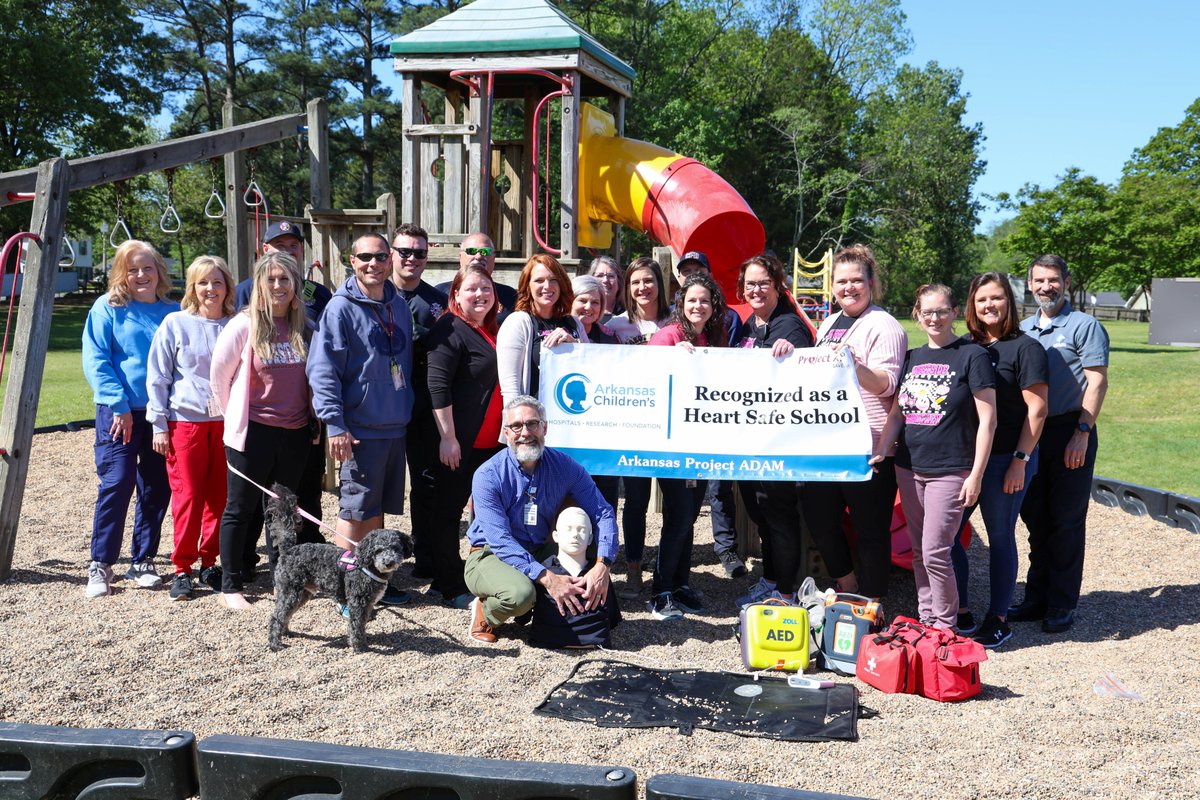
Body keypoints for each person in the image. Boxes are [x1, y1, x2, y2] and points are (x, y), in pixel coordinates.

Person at [872, 284, 996, 631]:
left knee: (936, 551)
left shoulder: (972, 356)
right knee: (917, 552)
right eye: (927, 312)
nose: (934, 318)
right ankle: (926, 618)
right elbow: (897, 414)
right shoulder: (912, 357)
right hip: (910, 468)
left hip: (952, 469)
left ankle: (945, 626)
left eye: (941, 310)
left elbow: (989, 420)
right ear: (917, 315)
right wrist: (883, 448)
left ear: (954, 312)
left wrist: (976, 475)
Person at [464, 396, 618, 645]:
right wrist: (548, 578)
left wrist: (603, 565)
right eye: (516, 426)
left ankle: (572, 613)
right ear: (506, 433)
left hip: (539, 547)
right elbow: (501, 541)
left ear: (544, 428)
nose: (525, 432)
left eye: (532, 424)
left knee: (586, 552)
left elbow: (603, 512)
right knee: (520, 596)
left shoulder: (565, 466)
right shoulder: (488, 475)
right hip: (490, 553)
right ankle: (486, 612)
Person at [799, 245, 907, 600]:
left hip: (871, 444)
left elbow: (886, 384)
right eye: (841, 281)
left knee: (871, 530)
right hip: (828, 443)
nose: (849, 287)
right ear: (832, 286)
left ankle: (873, 603)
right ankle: (847, 585)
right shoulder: (829, 322)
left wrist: (851, 364)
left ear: (871, 282)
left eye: (856, 280)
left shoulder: (884, 325)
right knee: (820, 518)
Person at [307, 233, 415, 584]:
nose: (374, 263)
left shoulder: (397, 304)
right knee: (354, 508)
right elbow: (323, 370)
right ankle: (345, 583)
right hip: (358, 428)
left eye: (381, 256)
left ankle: (368, 578)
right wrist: (334, 425)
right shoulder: (340, 308)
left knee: (375, 507)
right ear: (352, 261)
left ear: (390, 261)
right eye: (365, 256)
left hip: (393, 425)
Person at [1011, 254, 1109, 634]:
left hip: (1071, 429)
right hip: (1033, 433)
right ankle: (1036, 598)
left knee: (1066, 521)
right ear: (1030, 284)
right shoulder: (1022, 329)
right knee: (1035, 518)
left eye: (1053, 280)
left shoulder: (1085, 327)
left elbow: (1097, 382)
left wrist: (1082, 433)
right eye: (1039, 280)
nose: (1046, 287)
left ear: (1066, 282)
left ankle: (1061, 604)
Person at [950, 272, 1048, 648]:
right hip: (964, 459)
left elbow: (1037, 411)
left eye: (996, 298)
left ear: (1009, 301)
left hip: (1007, 458)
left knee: (1000, 536)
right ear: (972, 306)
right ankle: (960, 610)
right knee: (947, 536)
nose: (989, 305)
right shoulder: (965, 346)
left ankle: (999, 617)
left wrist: (1020, 461)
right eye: (981, 300)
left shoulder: (1026, 348)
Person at [210, 252, 313, 609]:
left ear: (295, 284)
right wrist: (233, 419)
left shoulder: (304, 327)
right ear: (259, 284)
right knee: (240, 509)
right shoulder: (243, 326)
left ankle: (282, 577)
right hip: (252, 433)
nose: (278, 286)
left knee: (283, 511)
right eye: (271, 279)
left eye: (285, 279)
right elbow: (219, 377)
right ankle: (231, 584)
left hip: (295, 432)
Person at [81, 240, 178, 598]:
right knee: (117, 482)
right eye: (132, 269)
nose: (141, 275)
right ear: (122, 273)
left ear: (159, 271)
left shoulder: (173, 311)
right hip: (119, 411)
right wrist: (118, 404)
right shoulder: (107, 308)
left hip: (160, 413)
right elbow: (97, 360)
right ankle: (101, 563)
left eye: (147, 268)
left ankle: (143, 559)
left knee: (155, 486)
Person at [233, 220, 329, 565]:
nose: (288, 251)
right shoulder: (246, 290)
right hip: (261, 414)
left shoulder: (317, 293)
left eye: (295, 245)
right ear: (265, 250)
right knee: (256, 493)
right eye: (280, 245)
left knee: (304, 490)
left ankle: (304, 555)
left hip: (305, 413)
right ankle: (244, 558)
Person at [146, 255, 235, 600]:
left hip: (227, 424)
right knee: (189, 497)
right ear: (192, 287)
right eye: (203, 282)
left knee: (220, 499)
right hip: (187, 423)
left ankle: (210, 561)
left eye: (216, 282)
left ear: (226, 285)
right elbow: (158, 376)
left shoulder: (237, 324)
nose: (210, 289)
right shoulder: (176, 323)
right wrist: (159, 424)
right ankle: (182, 566)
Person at [728, 254, 814, 605]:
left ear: (778, 285)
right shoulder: (751, 325)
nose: (756, 289)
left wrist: (794, 354)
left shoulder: (789, 326)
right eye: (750, 284)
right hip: (752, 440)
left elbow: (806, 375)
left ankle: (786, 591)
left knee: (778, 516)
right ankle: (771, 577)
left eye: (763, 282)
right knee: (761, 514)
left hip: (779, 443)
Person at [645, 272, 730, 620]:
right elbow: (644, 377)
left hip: (702, 443)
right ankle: (661, 591)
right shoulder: (668, 336)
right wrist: (670, 360)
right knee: (678, 516)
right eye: (692, 300)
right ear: (681, 303)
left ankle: (680, 584)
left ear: (713, 307)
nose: (698, 305)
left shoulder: (712, 336)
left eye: (704, 300)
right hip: (671, 444)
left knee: (690, 516)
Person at [425, 264, 505, 609]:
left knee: (486, 512)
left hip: (490, 442)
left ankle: (482, 575)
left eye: (486, 289)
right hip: (460, 441)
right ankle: (447, 584)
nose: (479, 295)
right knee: (447, 512)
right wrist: (448, 437)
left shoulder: (491, 329)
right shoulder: (450, 328)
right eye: (471, 289)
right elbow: (437, 384)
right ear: (455, 294)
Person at [670, 250, 747, 580]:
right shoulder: (673, 327)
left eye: (697, 270)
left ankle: (725, 549)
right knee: (684, 503)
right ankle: (671, 577)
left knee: (718, 487)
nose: (690, 275)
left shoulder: (726, 321)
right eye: (685, 272)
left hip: (717, 413)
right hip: (682, 423)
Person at [600, 257, 671, 598]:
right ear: (627, 289)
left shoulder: (676, 322)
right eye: (635, 282)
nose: (643, 287)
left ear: (660, 283)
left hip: (670, 423)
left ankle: (672, 573)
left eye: (649, 280)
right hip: (633, 423)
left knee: (676, 503)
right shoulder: (616, 325)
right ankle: (632, 570)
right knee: (637, 500)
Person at [390, 222, 449, 594]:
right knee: (374, 485)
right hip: (381, 406)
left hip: (424, 407)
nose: (412, 258)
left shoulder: (438, 303)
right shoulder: (373, 296)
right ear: (391, 254)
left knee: (427, 484)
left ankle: (425, 557)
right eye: (405, 252)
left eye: (419, 253)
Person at [495, 253, 586, 408]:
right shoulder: (518, 323)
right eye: (539, 280)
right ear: (527, 286)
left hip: (569, 420)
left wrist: (574, 345)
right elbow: (510, 389)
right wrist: (519, 425)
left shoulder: (574, 323)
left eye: (553, 280)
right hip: (533, 423)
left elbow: (591, 368)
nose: (547, 286)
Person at [529, 505, 621, 649]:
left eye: (582, 530)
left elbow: (612, 618)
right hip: (546, 639)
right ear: (555, 536)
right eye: (569, 529)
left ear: (590, 538)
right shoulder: (543, 573)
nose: (575, 535)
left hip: (596, 641)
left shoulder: (599, 575)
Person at [569, 274, 622, 523]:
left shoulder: (611, 337)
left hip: (605, 432)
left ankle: (604, 553)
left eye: (596, 302)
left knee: (606, 496)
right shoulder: (560, 333)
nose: (589, 307)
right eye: (582, 300)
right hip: (573, 432)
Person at [434, 232, 519, 317]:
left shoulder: (509, 296)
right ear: (460, 257)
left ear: (493, 258)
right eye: (471, 251)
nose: (478, 256)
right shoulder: (439, 293)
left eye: (485, 251)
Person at [588, 255, 624, 322]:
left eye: (611, 276)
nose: (605, 280)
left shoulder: (628, 314)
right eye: (600, 276)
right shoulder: (586, 311)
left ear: (619, 281)